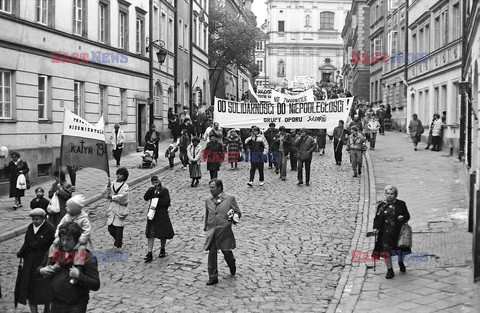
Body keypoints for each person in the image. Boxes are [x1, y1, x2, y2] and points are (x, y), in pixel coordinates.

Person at [39, 222, 100, 312]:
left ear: (76, 240)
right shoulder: (56, 252)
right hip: (56, 303)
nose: (64, 243)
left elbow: (95, 284)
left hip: (76, 306)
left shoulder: (86, 256)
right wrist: (41, 271)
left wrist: (80, 276)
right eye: (62, 239)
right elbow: (41, 267)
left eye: (68, 240)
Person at [203, 179, 242, 285]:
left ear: (219, 187)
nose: (211, 190)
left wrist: (234, 216)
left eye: (213, 187)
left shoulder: (229, 198)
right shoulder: (208, 200)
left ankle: (231, 263)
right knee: (212, 252)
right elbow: (207, 214)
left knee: (226, 251)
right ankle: (213, 276)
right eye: (210, 187)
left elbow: (238, 212)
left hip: (224, 230)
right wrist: (206, 226)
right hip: (212, 230)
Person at [17, 208, 55, 313]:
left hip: (43, 261)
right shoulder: (30, 227)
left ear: (43, 218)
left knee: (45, 290)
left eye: (37, 219)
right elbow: (26, 242)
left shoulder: (50, 228)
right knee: (30, 290)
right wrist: (21, 252)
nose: (34, 221)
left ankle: (47, 310)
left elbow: (53, 246)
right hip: (29, 263)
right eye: (33, 219)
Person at [49, 194, 91, 284]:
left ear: (74, 209)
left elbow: (87, 231)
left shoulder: (83, 219)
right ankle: (55, 263)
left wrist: (81, 241)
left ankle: (77, 270)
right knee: (55, 244)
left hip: (79, 240)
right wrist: (58, 236)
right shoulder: (67, 216)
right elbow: (59, 226)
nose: (66, 208)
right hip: (66, 238)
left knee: (81, 250)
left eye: (68, 207)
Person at [372, 185, 411, 279]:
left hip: (398, 232)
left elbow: (407, 216)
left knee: (400, 249)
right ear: (385, 194)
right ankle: (390, 270)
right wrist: (375, 228)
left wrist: (403, 217)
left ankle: (400, 262)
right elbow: (377, 218)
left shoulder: (401, 204)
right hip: (385, 233)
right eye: (388, 194)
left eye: (392, 194)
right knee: (386, 251)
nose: (389, 196)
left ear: (395, 195)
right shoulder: (381, 205)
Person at [143, 176, 174, 262]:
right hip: (152, 214)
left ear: (159, 181)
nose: (155, 183)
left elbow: (167, 202)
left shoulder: (164, 190)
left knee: (162, 233)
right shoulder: (151, 190)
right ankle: (149, 253)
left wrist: (157, 201)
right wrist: (150, 191)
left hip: (161, 214)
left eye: (156, 181)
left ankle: (162, 249)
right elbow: (145, 198)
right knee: (150, 233)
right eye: (153, 182)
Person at [103, 167, 129, 251]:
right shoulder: (112, 183)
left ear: (124, 177)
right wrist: (107, 187)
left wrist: (113, 197)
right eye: (118, 173)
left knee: (118, 227)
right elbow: (105, 194)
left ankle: (118, 245)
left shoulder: (125, 186)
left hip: (120, 209)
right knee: (110, 228)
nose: (118, 175)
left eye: (120, 174)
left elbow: (123, 197)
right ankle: (118, 239)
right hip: (111, 208)